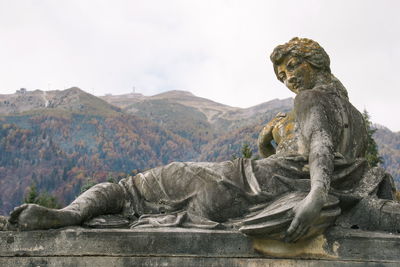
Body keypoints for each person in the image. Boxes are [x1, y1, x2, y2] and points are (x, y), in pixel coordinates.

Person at [6, 38, 397, 242]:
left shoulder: (310, 99)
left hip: (251, 183)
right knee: (149, 195)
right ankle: (77, 214)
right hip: (275, 182)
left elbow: (319, 148)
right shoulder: (351, 117)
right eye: (282, 75)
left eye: (293, 67)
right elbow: (325, 149)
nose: (289, 78)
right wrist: (273, 142)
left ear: (317, 61)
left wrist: (315, 195)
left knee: (142, 185)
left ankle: (73, 215)